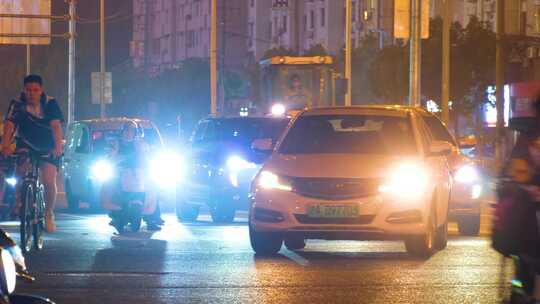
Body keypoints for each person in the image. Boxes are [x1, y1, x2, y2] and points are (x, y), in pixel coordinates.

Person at [1, 75, 64, 233]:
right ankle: (19, 201)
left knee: (49, 180)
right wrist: (6, 144)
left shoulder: (50, 103)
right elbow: (9, 124)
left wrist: (58, 147)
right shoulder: (17, 104)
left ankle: (49, 212)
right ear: (24, 90)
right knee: (20, 170)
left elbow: (56, 126)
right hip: (26, 143)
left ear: (41, 90)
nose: (32, 93)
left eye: (35, 90)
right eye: (28, 90)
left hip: (47, 145)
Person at [505, 94, 540, 303]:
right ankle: (521, 292)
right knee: (524, 258)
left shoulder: (527, 137)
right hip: (527, 210)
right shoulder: (528, 138)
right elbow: (516, 169)